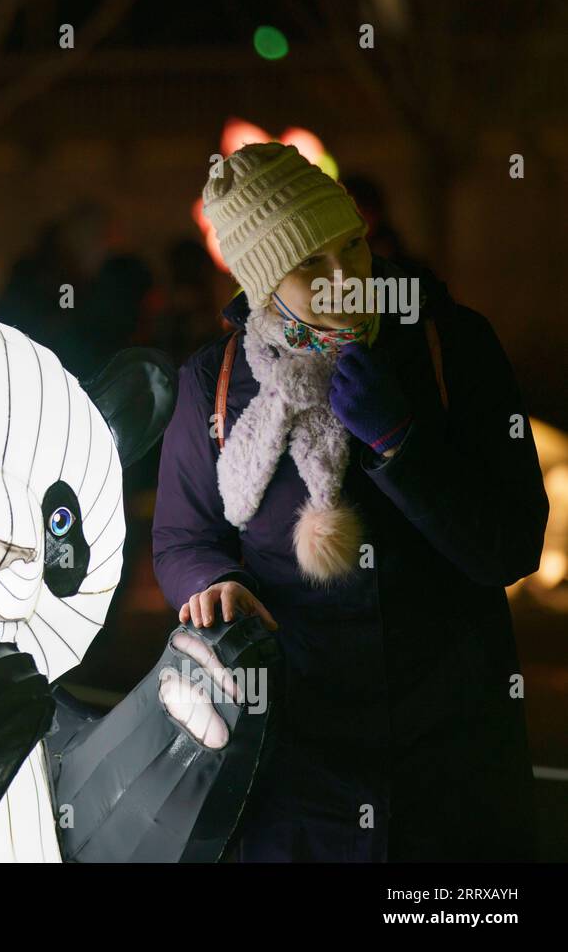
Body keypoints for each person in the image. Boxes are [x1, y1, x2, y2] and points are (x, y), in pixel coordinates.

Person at [152, 142, 548, 861]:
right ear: (263, 279)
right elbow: (184, 538)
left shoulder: (448, 346)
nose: (347, 281)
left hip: (454, 764)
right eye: (310, 265)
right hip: (298, 774)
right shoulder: (214, 382)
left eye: (353, 245)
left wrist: (403, 445)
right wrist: (215, 584)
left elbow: (511, 547)